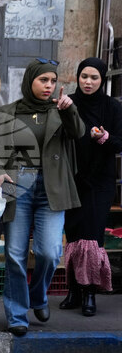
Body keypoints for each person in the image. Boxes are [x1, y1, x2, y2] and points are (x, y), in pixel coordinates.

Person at [0, 59, 84, 337]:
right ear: (30, 81)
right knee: (14, 254)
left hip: (52, 186)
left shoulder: (61, 110)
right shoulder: (8, 113)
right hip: (17, 186)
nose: (49, 85)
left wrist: (69, 109)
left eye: (52, 81)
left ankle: (38, 296)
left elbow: (78, 133)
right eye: (43, 80)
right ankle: (17, 315)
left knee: (50, 253)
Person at [60, 57, 120, 316]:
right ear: (77, 77)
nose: (88, 82)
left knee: (92, 237)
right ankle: (73, 290)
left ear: (102, 79)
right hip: (72, 179)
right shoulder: (69, 103)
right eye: (84, 76)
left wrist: (104, 138)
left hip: (100, 181)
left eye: (94, 77)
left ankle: (90, 293)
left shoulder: (113, 107)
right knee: (73, 234)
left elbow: (120, 143)